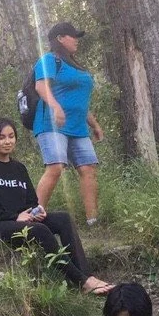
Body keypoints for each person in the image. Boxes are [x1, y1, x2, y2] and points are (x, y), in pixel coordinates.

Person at [0, 117, 112, 294]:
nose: (7, 141)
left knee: (63, 218)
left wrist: (37, 211)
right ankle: (81, 281)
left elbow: (31, 201)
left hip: (22, 219)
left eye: (11, 136)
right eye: (1, 137)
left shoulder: (18, 168)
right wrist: (15, 217)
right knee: (39, 230)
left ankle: (87, 274)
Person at [34, 21, 103, 226]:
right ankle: (33, 221)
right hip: (52, 124)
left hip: (79, 128)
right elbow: (40, 86)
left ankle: (92, 221)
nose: (76, 41)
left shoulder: (77, 66)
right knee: (55, 167)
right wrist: (55, 107)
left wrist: (95, 125)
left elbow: (80, 102)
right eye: (73, 36)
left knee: (88, 169)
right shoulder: (49, 60)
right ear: (60, 39)